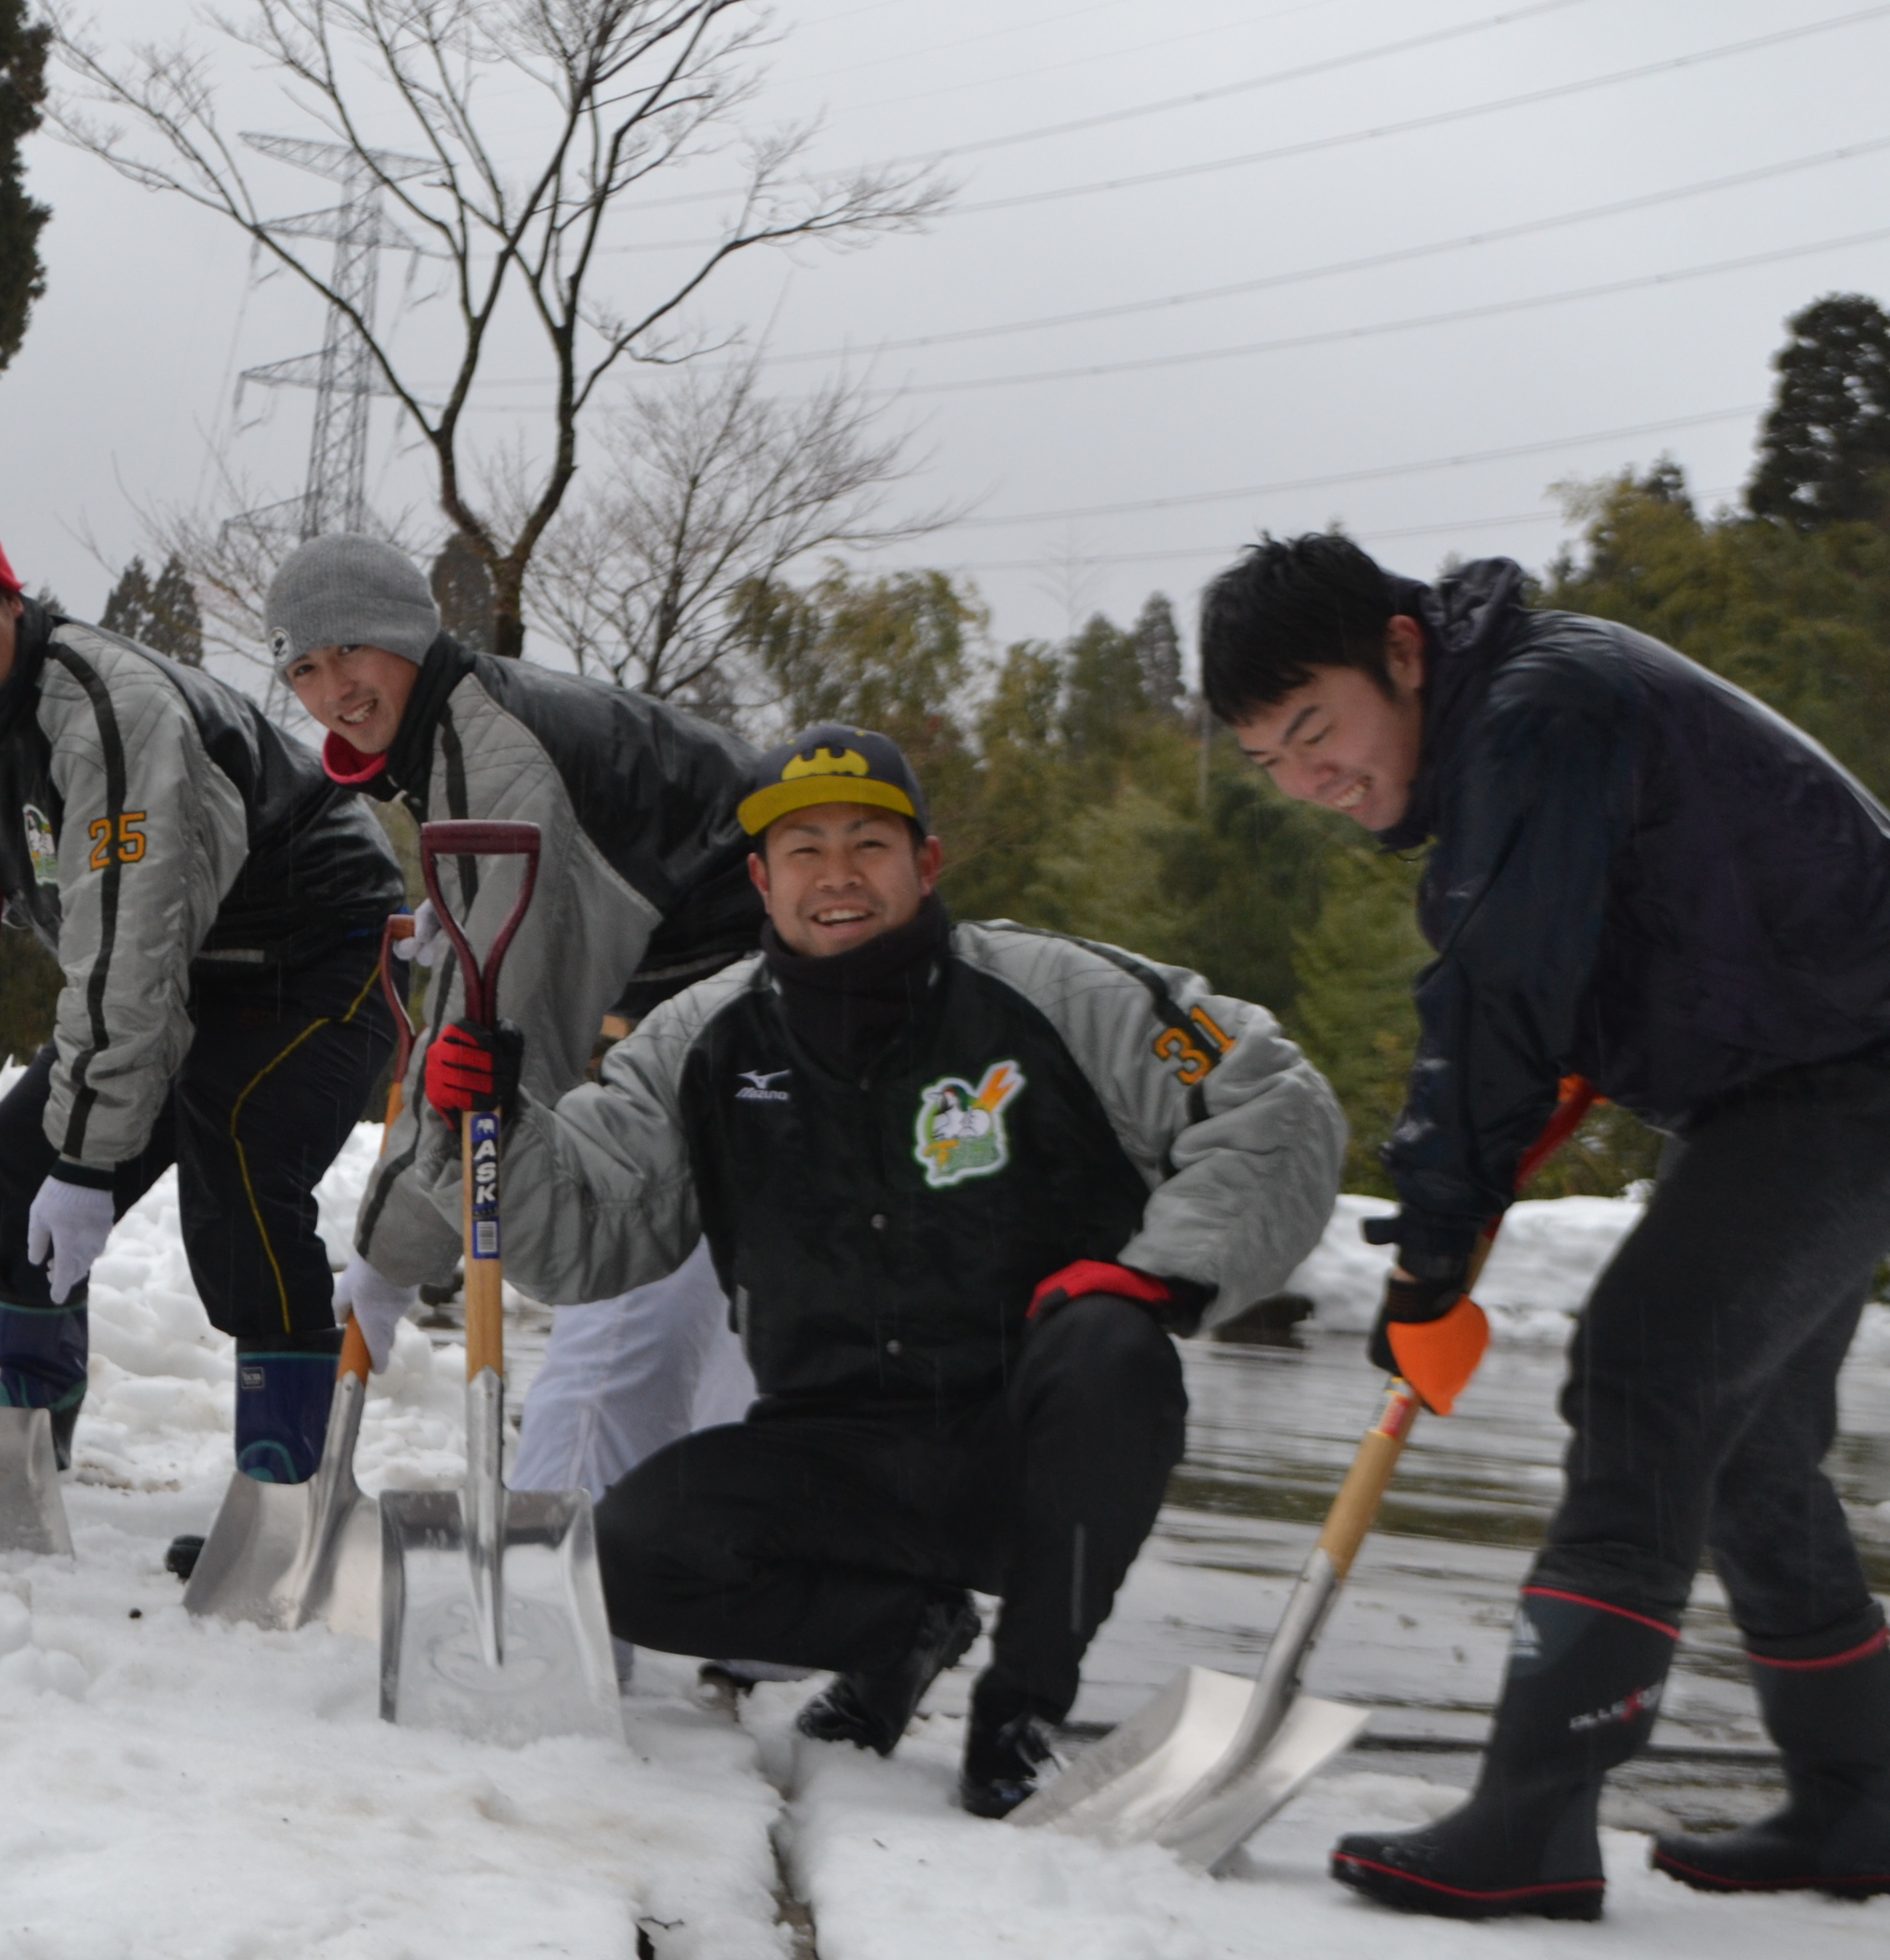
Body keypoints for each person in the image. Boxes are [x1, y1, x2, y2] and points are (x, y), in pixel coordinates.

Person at [393, 725, 1343, 1813]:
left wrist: (1163, 1273)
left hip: (1032, 1443)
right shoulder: (702, 1038)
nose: (837, 876)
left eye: (868, 844)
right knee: (632, 1554)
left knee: (1111, 1342)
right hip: (833, 1449)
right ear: (760, 878)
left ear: (925, 863)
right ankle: (901, 1636)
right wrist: (483, 1124)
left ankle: (1020, 1709)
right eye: (803, 849)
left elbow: (1273, 1099)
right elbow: (590, 1224)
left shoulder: (1063, 995)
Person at [1203, 533, 1890, 1918]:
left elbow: (1498, 991)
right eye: (1276, 764)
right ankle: (1863, 1797)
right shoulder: (1516, 730)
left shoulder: (1540, 708)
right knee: (1744, 1440)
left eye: (1317, 728)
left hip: (1845, 1070)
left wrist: (1435, 1252)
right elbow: (1560, 965)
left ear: (1403, 651)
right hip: (1807, 1068)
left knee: (1643, 1372)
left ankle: (1533, 1815)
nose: (1314, 780)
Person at [0, 463, 405, 1485]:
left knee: (237, 1149)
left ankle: (287, 1476)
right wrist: (9, 873)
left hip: (321, 950)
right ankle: (27, 1437)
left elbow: (129, 931)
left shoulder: (107, 704)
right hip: (197, 958)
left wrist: (94, 1160)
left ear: (9, 599)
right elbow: (89, 874)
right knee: (14, 1167)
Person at [264, 534, 764, 1517]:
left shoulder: (495, 761)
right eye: (305, 669)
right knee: (738, 1327)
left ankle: (558, 1621)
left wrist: (386, 1258)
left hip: (746, 1009)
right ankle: (750, 1615)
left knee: (616, 1318)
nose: (334, 691)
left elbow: (495, 1042)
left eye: (352, 652)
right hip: (764, 1005)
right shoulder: (464, 732)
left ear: (408, 634)